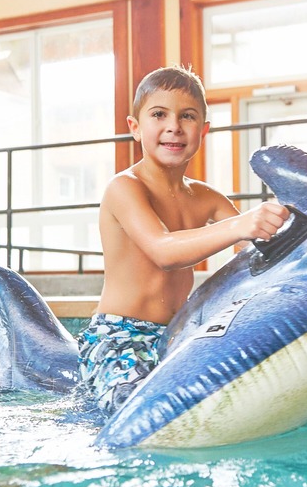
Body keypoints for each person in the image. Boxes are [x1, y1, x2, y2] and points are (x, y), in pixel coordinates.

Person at [79, 66, 290, 414]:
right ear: (135, 127)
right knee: (138, 412)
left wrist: (280, 224)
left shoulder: (207, 197)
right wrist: (243, 224)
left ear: (203, 131)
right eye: (159, 114)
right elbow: (164, 251)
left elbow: (257, 254)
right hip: (118, 337)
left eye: (187, 116)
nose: (174, 126)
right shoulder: (125, 188)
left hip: (180, 334)